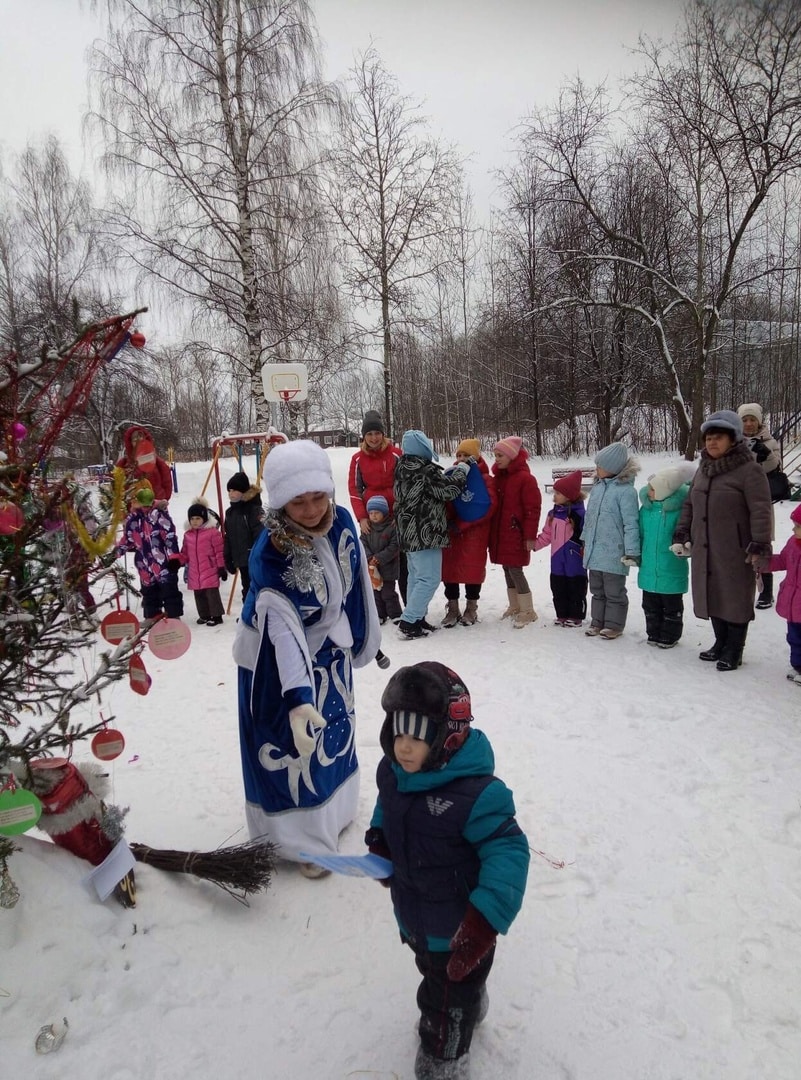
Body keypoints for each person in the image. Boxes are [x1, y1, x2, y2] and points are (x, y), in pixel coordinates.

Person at [365, 661, 530, 1080]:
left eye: (418, 737)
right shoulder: (395, 773)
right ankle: (469, 999)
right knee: (435, 974)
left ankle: (445, 1059)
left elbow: (508, 851)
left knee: (444, 1004)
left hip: (462, 928)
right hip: (418, 913)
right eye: (399, 732)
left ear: (446, 737)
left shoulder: (477, 796)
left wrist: (483, 922)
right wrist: (379, 836)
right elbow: (388, 805)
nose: (404, 747)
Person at [233, 440, 380, 878]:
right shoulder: (269, 554)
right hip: (278, 666)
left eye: (319, 496)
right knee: (297, 745)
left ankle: (335, 815)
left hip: (330, 653)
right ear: (280, 501)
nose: (313, 509)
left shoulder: (342, 522)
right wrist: (297, 698)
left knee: (336, 731)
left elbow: (354, 582)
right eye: (299, 501)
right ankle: (301, 843)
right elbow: (284, 629)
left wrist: (358, 639)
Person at [673, 410, 772, 671]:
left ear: (733, 440)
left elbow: (761, 509)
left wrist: (761, 543)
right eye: (708, 438)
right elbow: (689, 503)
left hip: (736, 549)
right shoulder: (703, 469)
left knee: (735, 597)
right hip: (704, 546)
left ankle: (734, 649)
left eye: (718, 437)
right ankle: (720, 642)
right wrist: (683, 530)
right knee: (712, 594)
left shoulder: (749, 470)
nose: (712, 442)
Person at [393, 430, 469, 639]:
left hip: (408, 533)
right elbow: (449, 490)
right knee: (429, 579)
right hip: (425, 533)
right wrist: (462, 470)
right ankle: (409, 622)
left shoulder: (402, 467)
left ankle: (417, 618)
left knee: (416, 578)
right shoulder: (424, 470)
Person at [582, 442, 641, 640]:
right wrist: (584, 540)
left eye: (600, 465)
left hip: (615, 552)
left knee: (614, 591)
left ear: (613, 468)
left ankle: (614, 625)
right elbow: (590, 518)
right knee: (597, 590)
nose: (596, 468)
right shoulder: (597, 489)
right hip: (595, 550)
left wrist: (632, 551)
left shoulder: (626, 492)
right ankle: (597, 621)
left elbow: (631, 524)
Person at [348, 409, 406, 599]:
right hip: (372, 518)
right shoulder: (357, 459)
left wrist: (399, 513)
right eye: (369, 434)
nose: (374, 438)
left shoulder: (396, 454)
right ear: (364, 436)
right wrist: (362, 517)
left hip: (394, 518)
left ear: (383, 434)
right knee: (373, 559)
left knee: (401, 560)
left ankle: (408, 608)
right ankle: (380, 605)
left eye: (377, 433)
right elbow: (354, 490)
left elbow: (404, 486)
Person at [440, 438, 496, 627]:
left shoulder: (485, 479)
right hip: (453, 531)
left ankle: (471, 608)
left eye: (466, 455)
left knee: (472, 571)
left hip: (475, 534)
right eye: (459, 455)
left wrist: (463, 524)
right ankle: (453, 607)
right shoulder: (452, 476)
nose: (461, 458)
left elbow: (488, 507)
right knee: (449, 571)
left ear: (475, 457)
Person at [637, 465, 694, 648]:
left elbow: (685, 532)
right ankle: (653, 632)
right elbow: (640, 533)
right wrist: (635, 552)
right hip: (649, 566)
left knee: (671, 604)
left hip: (671, 565)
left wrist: (684, 546)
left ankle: (670, 634)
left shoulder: (678, 511)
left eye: (654, 490)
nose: (649, 492)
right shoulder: (646, 510)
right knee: (650, 604)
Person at [488, 436, 542, 629]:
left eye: (500, 455)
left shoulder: (525, 479)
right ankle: (515, 605)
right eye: (495, 455)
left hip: (515, 533)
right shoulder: (500, 478)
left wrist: (529, 536)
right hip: (501, 533)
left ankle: (528, 610)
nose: (497, 459)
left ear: (512, 456)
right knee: (506, 568)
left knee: (515, 569)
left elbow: (532, 509)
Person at [737, 402, 785, 609]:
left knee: (762, 543)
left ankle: (765, 592)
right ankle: (740, 587)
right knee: (739, 543)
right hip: (738, 500)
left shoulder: (769, 441)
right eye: (745, 420)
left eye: (752, 420)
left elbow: (776, 466)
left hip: (761, 500)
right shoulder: (733, 441)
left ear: (758, 421)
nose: (748, 424)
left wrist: (765, 454)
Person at [116, 481, 183, 622]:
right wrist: (117, 551)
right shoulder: (133, 519)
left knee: (168, 587)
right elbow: (127, 539)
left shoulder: (159, 515)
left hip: (162, 560)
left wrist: (174, 557)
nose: (145, 507)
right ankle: (152, 615)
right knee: (149, 589)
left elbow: (169, 536)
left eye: (148, 504)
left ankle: (173, 615)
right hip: (143, 561)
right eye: (142, 504)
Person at [533, 468, 587, 627]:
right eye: (555, 492)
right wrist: (535, 545)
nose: (554, 496)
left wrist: (576, 530)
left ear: (569, 495)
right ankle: (562, 614)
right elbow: (547, 535)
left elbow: (586, 535)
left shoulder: (580, 515)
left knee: (575, 587)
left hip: (575, 560)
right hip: (557, 560)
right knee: (558, 587)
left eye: (558, 493)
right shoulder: (553, 514)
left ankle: (576, 616)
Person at [766, 504, 801, 685]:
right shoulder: (793, 543)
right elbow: (782, 560)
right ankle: (798, 666)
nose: (793, 529)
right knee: (794, 637)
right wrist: (764, 562)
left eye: (798, 526)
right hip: (794, 604)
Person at [179, 498, 227, 626]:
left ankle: (217, 616)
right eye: (192, 519)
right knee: (199, 593)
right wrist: (178, 561)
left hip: (210, 568)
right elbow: (184, 552)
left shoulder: (212, 533)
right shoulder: (187, 535)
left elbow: (219, 551)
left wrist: (221, 567)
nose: (195, 521)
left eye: (198, 519)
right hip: (194, 570)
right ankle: (204, 615)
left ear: (204, 519)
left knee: (212, 594)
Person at [360, 494, 403, 624]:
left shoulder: (391, 528)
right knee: (376, 594)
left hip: (388, 568)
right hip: (372, 569)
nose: (373, 515)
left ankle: (395, 614)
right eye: (371, 513)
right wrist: (369, 558)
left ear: (384, 512)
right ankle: (380, 614)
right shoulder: (367, 529)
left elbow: (394, 546)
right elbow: (362, 543)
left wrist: (378, 558)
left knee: (388, 593)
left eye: (377, 512)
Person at [223, 470, 264, 601]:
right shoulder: (230, 513)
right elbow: (228, 536)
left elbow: (260, 535)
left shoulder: (253, 510)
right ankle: (248, 614)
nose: (231, 494)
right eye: (229, 490)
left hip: (254, 559)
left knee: (257, 588)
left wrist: (257, 554)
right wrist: (228, 557)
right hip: (241, 560)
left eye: (234, 490)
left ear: (243, 491)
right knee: (246, 587)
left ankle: (257, 614)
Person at [116, 424, 173, 507]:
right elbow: (117, 485)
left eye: (141, 439)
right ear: (130, 443)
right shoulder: (124, 464)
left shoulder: (156, 461)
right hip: (134, 509)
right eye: (135, 440)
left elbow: (167, 480)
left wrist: (163, 498)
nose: (139, 442)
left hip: (156, 506)